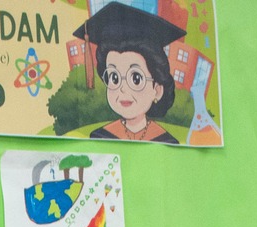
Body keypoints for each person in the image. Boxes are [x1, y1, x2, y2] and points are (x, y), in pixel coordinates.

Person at [73, 2, 184, 144]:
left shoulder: (167, 142)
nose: (122, 88)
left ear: (157, 90)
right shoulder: (100, 137)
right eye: (114, 78)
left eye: (136, 78)